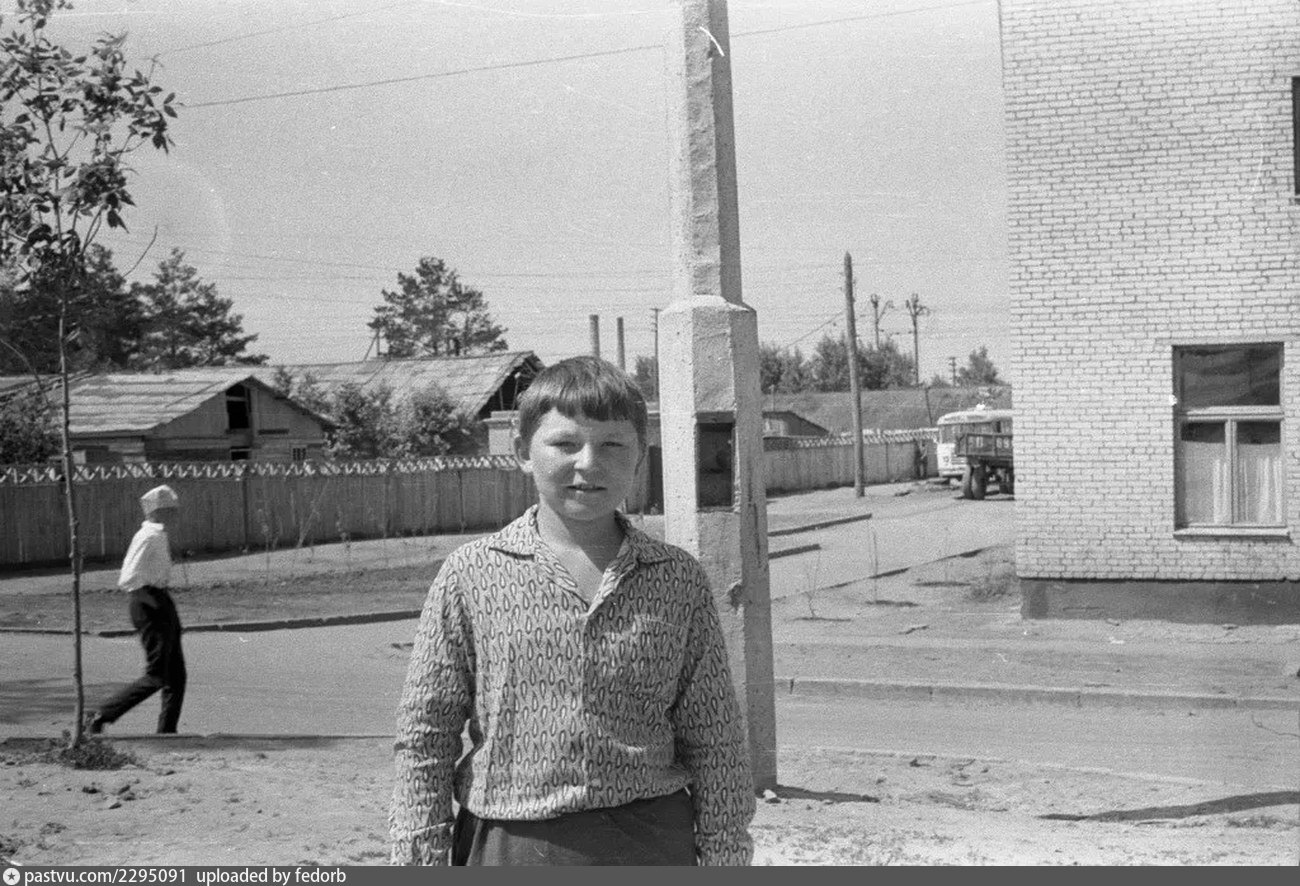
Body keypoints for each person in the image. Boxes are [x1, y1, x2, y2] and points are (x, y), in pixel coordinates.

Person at [389, 356, 755, 866]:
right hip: (510, 842)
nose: (588, 463)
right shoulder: (470, 574)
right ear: (523, 451)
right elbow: (426, 735)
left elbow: (714, 737)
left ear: (639, 456)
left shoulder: (676, 578)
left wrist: (725, 854)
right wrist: (418, 859)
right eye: (565, 444)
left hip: (651, 842)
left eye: (612, 445)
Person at [87, 484, 187, 735]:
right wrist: (155, 606)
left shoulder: (159, 535)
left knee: (176, 675)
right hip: (148, 603)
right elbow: (128, 577)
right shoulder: (148, 536)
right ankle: (101, 715)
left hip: (161, 599)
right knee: (157, 675)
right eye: (171, 510)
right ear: (158, 511)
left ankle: (167, 733)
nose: (176, 515)